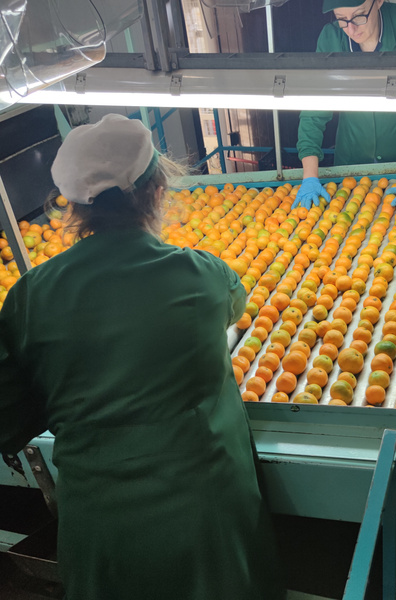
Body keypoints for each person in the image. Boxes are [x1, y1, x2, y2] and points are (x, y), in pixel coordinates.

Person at [0, 114, 284, 600]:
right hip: (207, 520)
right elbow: (235, 307)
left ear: (74, 208)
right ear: (157, 190)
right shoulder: (201, 273)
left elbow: (8, 418)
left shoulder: (30, 295)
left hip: (103, 527)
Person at [295, 0, 396, 210]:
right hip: (353, 164)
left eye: (359, 16)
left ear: (379, 2)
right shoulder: (331, 38)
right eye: (341, 19)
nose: (351, 29)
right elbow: (314, 110)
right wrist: (310, 177)